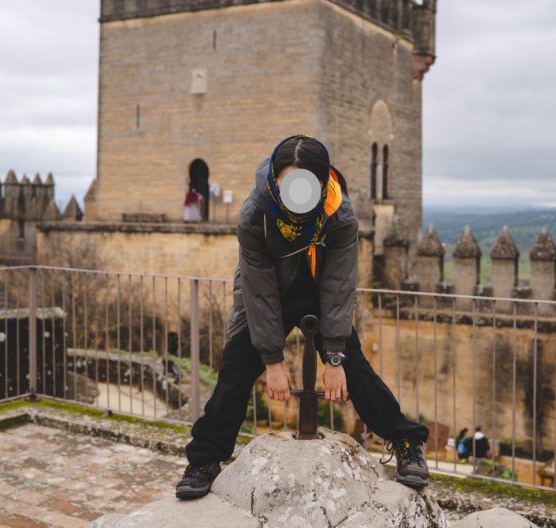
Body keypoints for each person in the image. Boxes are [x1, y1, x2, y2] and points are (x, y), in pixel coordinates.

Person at [175, 134, 430, 499]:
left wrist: (335, 354)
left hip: (316, 288)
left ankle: (406, 442)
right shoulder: (254, 214)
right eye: (288, 183)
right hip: (268, 291)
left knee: (354, 368)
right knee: (236, 369)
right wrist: (271, 360)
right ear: (276, 181)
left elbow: (339, 286)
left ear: (321, 184)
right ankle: (204, 459)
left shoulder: (339, 215)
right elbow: (259, 291)